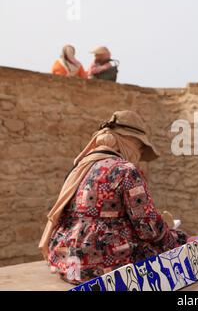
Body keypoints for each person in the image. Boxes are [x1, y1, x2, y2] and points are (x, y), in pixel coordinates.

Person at [39, 110, 188, 284]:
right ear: (127, 141)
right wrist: (177, 237)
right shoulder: (125, 170)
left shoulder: (82, 167)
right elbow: (149, 228)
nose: (139, 154)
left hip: (68, 263)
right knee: (174, 241)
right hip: (103, 264)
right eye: (139, 147)